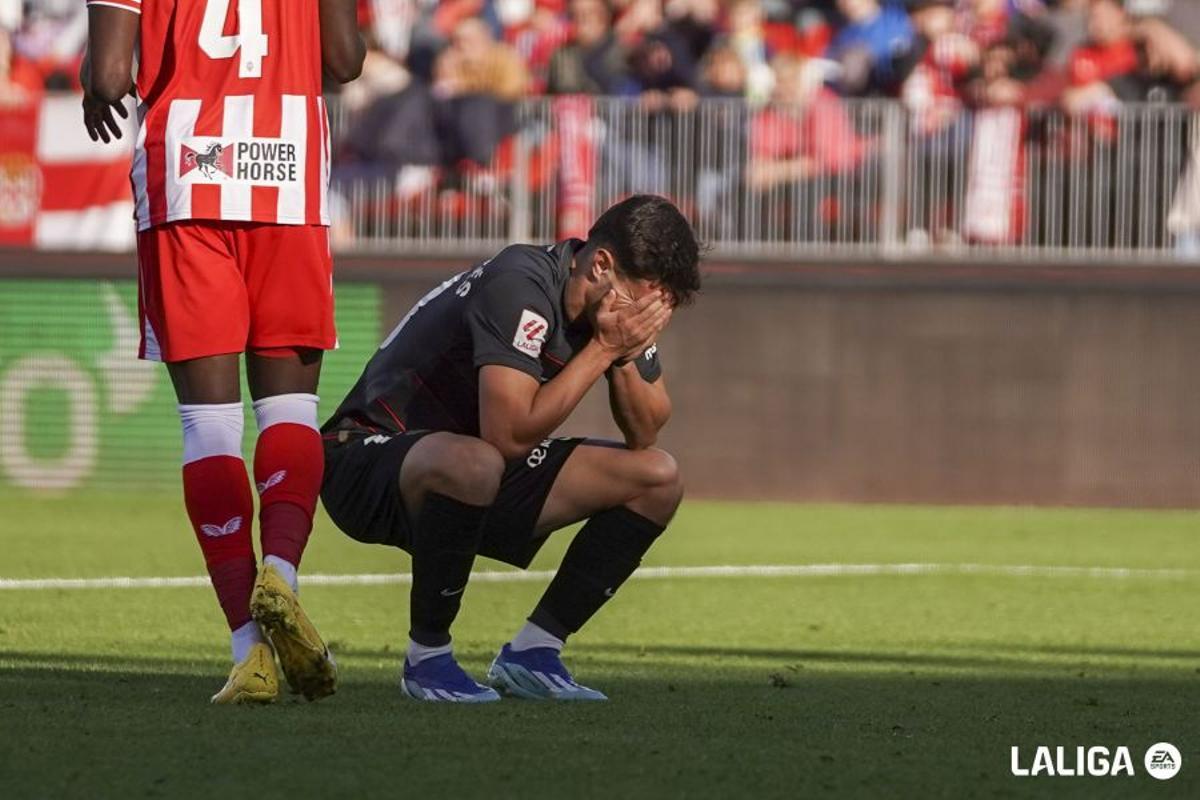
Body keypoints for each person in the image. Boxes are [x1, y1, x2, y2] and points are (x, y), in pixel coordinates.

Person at [80, 0, 365, 704]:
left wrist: (93, 80)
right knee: (290, 408)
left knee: (208, 426)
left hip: (186, 174)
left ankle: (249, 649)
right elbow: (346, 62)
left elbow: (114, 75)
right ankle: (284, 578)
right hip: (287, 172)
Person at [320, 195, 701, 702]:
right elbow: (508, 436)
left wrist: (625, 349)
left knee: (657, 477)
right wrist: (604, 349)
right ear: (602, 265)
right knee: (477, 461)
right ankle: (427, 659)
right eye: (646, 301)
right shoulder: (519, 283)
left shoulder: (617, 311)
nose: (649, 316)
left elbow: (646, 431)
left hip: (474, 467)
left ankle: (533, 653)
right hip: (364, 459)